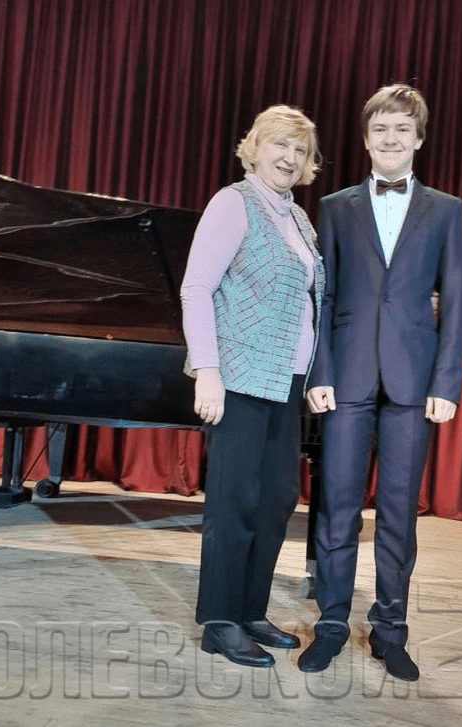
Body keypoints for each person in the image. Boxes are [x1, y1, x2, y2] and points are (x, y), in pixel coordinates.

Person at [298, 84, 462, 681]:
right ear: (366, 139)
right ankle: (331, 624)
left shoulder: (446, 210)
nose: (390, 139)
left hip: (413, 383)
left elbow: (456, 302)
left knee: (398, 514)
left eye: (401, 129)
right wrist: (319, 371)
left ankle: (390, 631)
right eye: (380, 129)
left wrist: (446, 382)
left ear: (418, 139)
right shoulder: (335, 207)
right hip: (345, 377)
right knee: (337, 509)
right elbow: (322, 297)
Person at [180, 105, 324, 668]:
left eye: (299, 150)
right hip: (239, 377)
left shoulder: (299, 218)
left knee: (276, 499)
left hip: (286, 382)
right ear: (255, 147)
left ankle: (249, 610)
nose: (289, 157)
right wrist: (208, 371)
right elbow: (197, 289)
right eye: (279, 144)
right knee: (234, 501)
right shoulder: (232, 203)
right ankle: (220, 621)